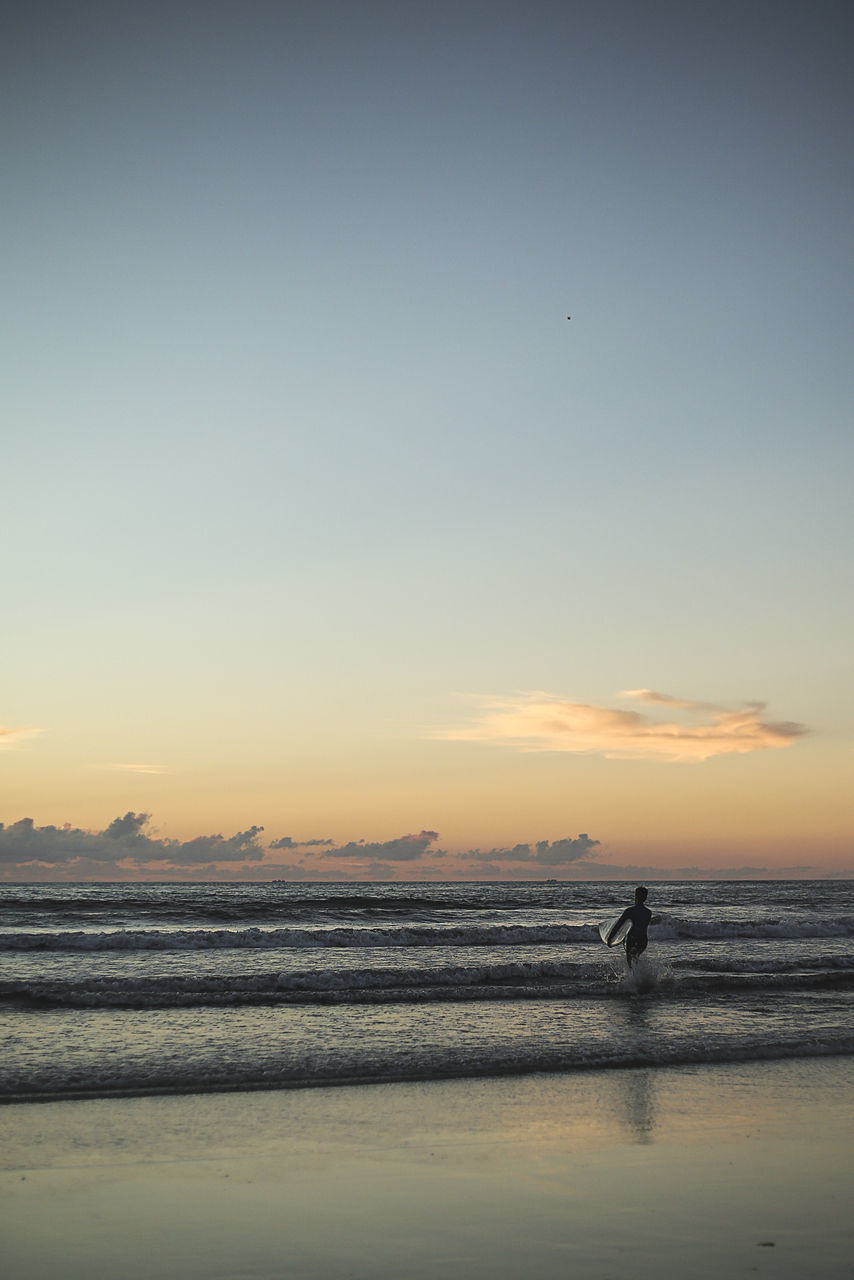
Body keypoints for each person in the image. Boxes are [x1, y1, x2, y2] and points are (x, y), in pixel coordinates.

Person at [610, 885, 652, 968]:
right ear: (645, 898)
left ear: (635, 896)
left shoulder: (630, 911)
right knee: (636, 958)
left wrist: (610, 938)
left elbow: (619, 925)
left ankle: (635, 978)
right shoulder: (648, 912)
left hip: (632, 939)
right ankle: (644, 974)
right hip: (643, 941)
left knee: (630, 962)